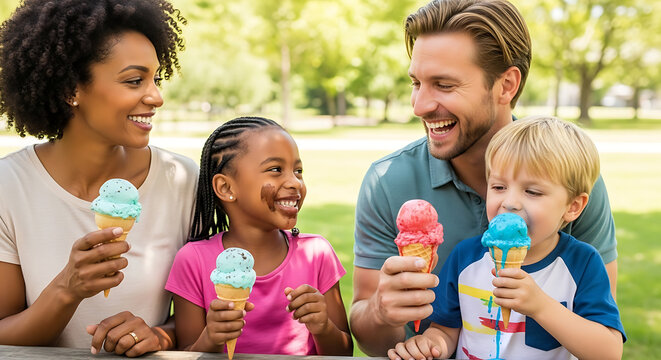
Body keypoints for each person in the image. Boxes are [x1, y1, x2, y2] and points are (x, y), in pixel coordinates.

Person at [350, 0, 618, 355]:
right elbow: (369, 341)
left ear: (506, 85)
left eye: (443, 84)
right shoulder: (387, 182)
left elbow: (601, 338)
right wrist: (380, 312)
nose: (419, 106)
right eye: (416, 82)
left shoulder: (568, 177)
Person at [0, 0, 197, 356]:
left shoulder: (182, 182)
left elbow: (205, 322)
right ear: (70, 90)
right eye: (135, 81)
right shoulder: (8, 187)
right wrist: (67, 289)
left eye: (156, 78)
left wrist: (159, 335)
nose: (157, 97)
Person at [388, 116, 625, 360]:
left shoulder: (582, 263)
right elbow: (446, 331)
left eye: (532, 191)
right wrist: (430, 344)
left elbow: (609, 352)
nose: (509, 203)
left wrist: (541, 307)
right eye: (499, 187)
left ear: (573, 206)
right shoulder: (466, 257)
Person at [164, 117, 353, 356]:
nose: (295, 182)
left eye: (298, 171)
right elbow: (186, 353)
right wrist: (211, 338)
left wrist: (324, 327)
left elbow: (344, 353)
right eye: (275, 170)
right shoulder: (193, 260)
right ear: (226, 188)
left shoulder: (316, 253)